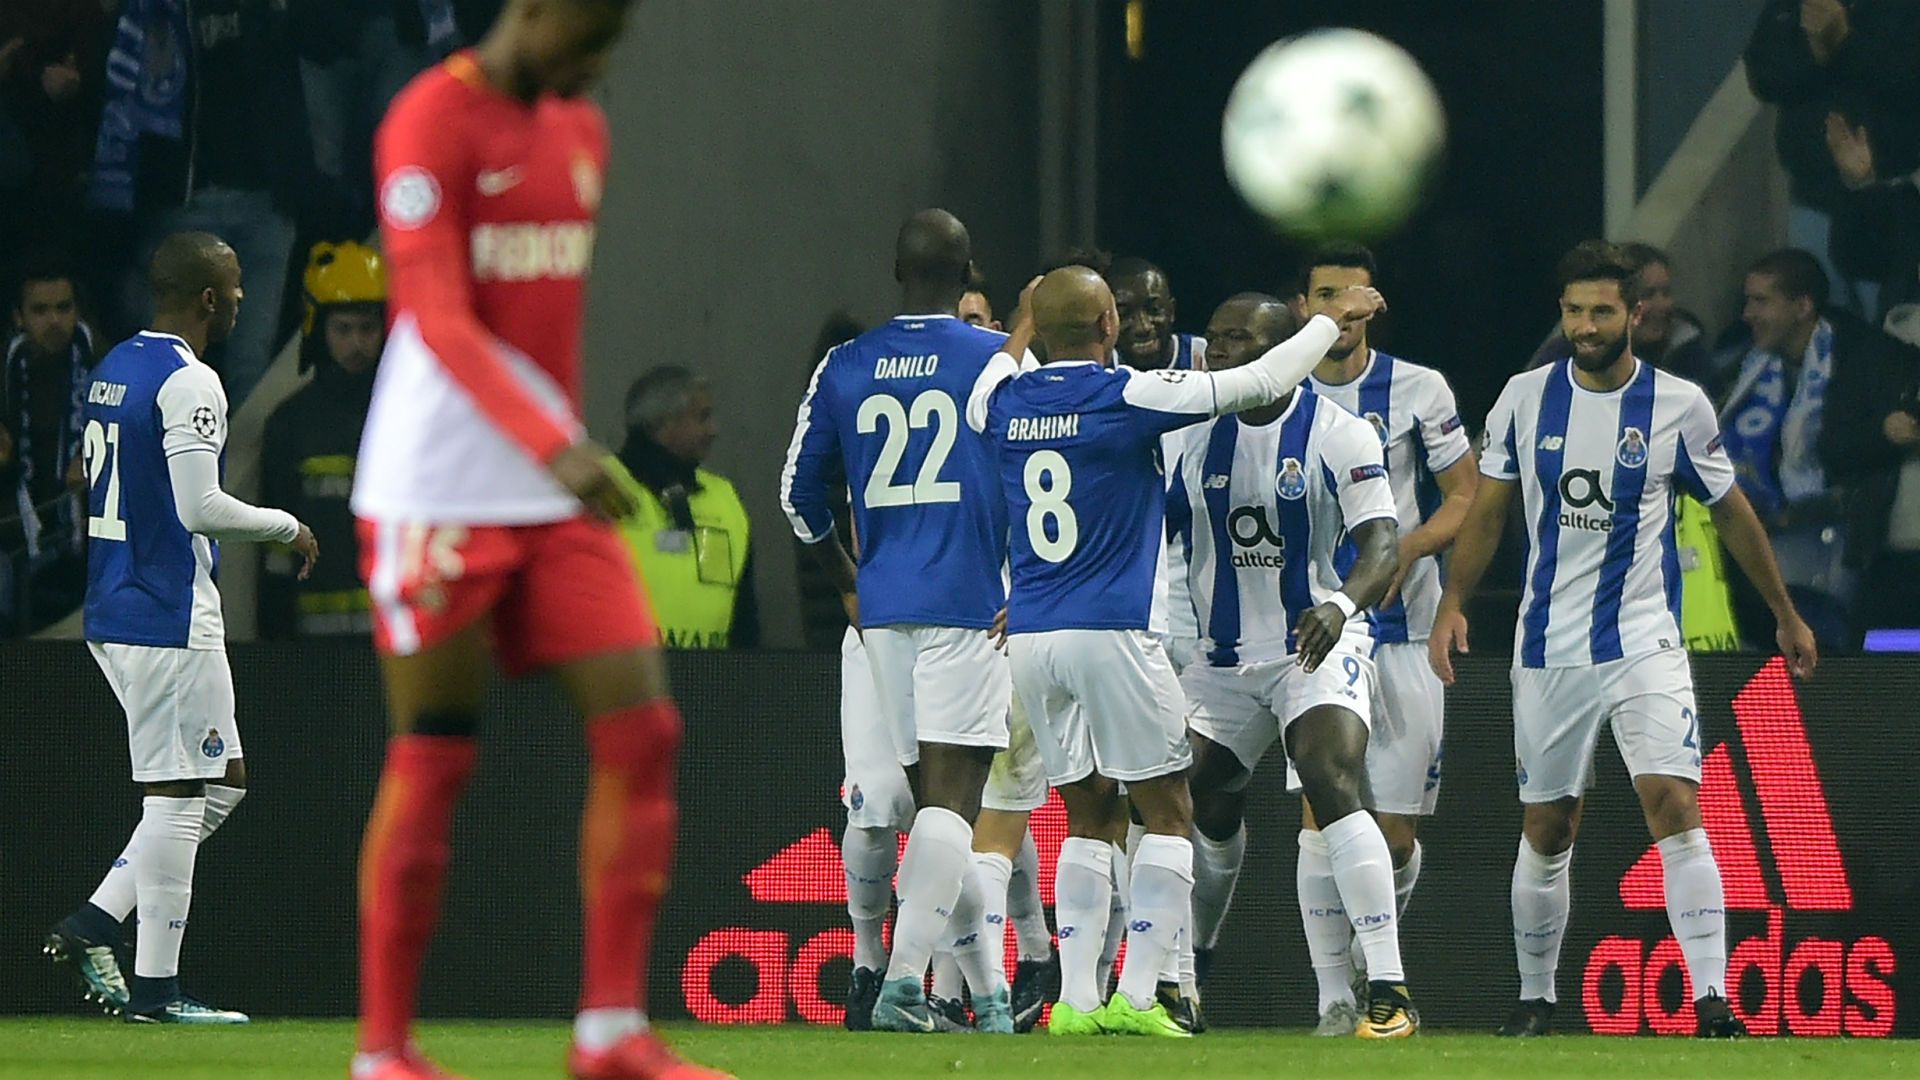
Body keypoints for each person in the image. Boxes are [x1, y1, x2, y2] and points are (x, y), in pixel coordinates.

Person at [347, 3, 728, 1078]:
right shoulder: (428, 118)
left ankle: (608, 1031)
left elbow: (542, 323)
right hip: (438, 486)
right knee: (435, 752)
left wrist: (554, 452)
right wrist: (548, 442)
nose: (597, 65)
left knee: (645, 732)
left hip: (551, 487)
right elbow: (432, 307)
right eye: (589, 38)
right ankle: (383, 1053)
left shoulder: (582, 130)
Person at [967, 265, 1382, 1037]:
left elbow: (1000, 363)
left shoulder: (999, 401)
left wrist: (1029, 318)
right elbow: (1260, 378)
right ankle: (1143, 992)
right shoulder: (1128, 394)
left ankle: (1078, 1004)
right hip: (1112, 633)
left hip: (1029, 636)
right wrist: (1333, 320)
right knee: (1167, 811)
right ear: (1108, 328)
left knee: (1086, 816)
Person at [1430, 240, 1819, 1039]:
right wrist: (1453, 601)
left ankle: (1713, 1001)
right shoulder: (1524, 398)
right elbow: (1491, 511)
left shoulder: (1679, 404)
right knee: (1548, 826)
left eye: (1601, 310)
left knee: (1674, 804)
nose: (1584, 325)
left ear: (1634, 313)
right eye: (1573, 311)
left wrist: (1783, 611)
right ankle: (1536, 998)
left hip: (1644, 640)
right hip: (1548, 648)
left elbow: (1731, 510)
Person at [1184, 246, 1476, 1034]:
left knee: (1329, 777)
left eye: (1237, 340)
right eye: (1213, 337)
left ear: (1282, 350)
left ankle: (1385, 988)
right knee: (1188, 798)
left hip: (1321, 638)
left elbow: (1383, 542)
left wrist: (1343, 606)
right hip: (1221, 657)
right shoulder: (1188, 430)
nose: (1218, 352)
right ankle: (1188, 970)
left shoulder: (1341, 433)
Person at [42, 232, 318, 1024]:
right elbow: (200, 508)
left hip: (116, 603)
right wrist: (284, 526)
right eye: (232, 288)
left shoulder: (115, 367)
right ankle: (157, 992)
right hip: (165, 613)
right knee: (175, 796)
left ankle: (96, 921)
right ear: (208, 298)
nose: (239, 300)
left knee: (220, 783)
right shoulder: (189, 381)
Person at [781, 208, 1017, 1034]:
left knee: (910, 805)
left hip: (880, 614)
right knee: (950, 808)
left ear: (895, 270)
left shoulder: (845, 366)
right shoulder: (994, 362)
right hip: (968, 607)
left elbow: (797, 497)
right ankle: (905, 987)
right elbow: (1040, 474)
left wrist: (851, 584)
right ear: (967, 272)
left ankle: (985, 999)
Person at [1723, 248, 1887, 648]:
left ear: (1802, 306)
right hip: (1759, 560)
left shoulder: (1861, 364)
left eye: (1761, 301)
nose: (1748, 313)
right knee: (1765, 678)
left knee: (1820, 679)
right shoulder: (1741, 368)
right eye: (1747, 301)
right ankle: (1772, 714)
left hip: (1829, 560)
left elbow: (1860, 459)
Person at [1745, 0, 1920, 321]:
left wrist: (1844, 44)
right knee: (1810, 320)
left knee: (1882, 320)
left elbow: (1909, 79)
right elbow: (1764, 75)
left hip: (1889, 202)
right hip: (1812, 197)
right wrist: (1815, 50)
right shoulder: (1792, 5)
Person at [258, 241, 386, 638]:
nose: (357, 344)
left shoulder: (410, 417)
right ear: (318, 329)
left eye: (367, 328)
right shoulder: (290, 423)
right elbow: (276, 556)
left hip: (394, 645)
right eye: (343, 329)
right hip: (313, 653)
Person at [614, 365, 759, 649]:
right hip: (628, 679)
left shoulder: (724, 497)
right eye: (702, 417)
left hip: (710, 681)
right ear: (663, 423)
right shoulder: (604, 487)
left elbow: (746, 617)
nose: (713, 430)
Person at [3, 252, 93, 632]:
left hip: (90, 527)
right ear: (18, 317)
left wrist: (99, 457)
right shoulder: (5, 367)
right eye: (40, 311)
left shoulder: (104, 358)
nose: (54, 321)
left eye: (63, 308)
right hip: (12, 533)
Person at [1106, 256, 1205, 372]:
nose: (1143, 327)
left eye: (1154, 309)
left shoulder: (1202, 354)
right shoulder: (1099, 369)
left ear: (1171, 311)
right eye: (1124, 314)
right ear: (1106, 321)